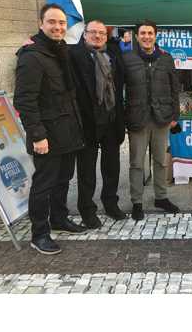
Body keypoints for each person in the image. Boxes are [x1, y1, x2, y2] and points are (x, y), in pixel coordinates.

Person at [13, 3, 86, 255]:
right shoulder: (31, 56)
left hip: (67, 131)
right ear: (41, 24)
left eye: (62, 23)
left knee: (63, 180)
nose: (58, 27)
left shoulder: (60, 50)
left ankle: (59, 218)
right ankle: (40, 234)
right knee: (43, 185)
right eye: (52, 22)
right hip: (46, 136)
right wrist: (37, 135)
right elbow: (24, 101)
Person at [69, 20, 127, 229]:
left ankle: (110, 203)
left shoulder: (112, 54)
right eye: (93, 32)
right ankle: (87, 209)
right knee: (87, 170)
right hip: (88, 121)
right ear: (84, 34)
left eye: (101, 33)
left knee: (112, 166)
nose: (97, 36)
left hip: (111, 118)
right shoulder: (74, 55)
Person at [122, 20, 180, 220]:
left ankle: (161, 197)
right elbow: (119, 89)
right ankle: (137, 201)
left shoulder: (166, 58)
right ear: (137, 36)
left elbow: (174, 88)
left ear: (155, 36)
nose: (146, 37)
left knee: (161, 161)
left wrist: (175, 116)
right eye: (143, 33)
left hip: (161, 118)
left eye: (150, 33)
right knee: (137, 163)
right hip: (137, 118)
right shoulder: (127, 59)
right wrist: (123, 117)